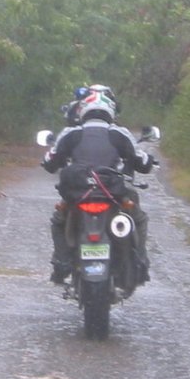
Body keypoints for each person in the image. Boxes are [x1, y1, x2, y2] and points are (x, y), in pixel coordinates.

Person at [41, 88, 155, 285]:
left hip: (78, 193)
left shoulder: (71, 133)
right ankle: (140, 262)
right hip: (114, 193)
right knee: (138, 218)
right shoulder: (120, 134)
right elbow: (142, 162)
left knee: (59, 219)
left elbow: (50, 160)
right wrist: (149, 160)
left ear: (82, 110)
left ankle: (61, 262)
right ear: (111, 111)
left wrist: (53, 162)